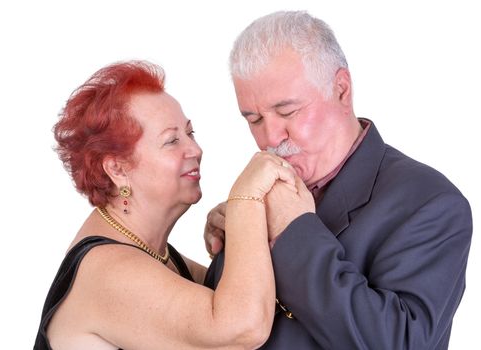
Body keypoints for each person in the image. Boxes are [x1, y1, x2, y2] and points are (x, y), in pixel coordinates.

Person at [204, 10, 473, 349]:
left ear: (342, 90)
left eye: (287, 111)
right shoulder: (260, 192)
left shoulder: (431, 203)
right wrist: (238, 239)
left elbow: (397, 343)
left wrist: (292, 231)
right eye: (253, 119)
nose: (269, 137)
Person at [34, 60, 298, 349]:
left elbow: (248, 299)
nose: (195, 150)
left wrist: (235, 233)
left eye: (190, 133)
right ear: (118, 169)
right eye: (171, 141)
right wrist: (246, 199)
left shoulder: (157, 256)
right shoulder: (108, 271)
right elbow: (242, 329)